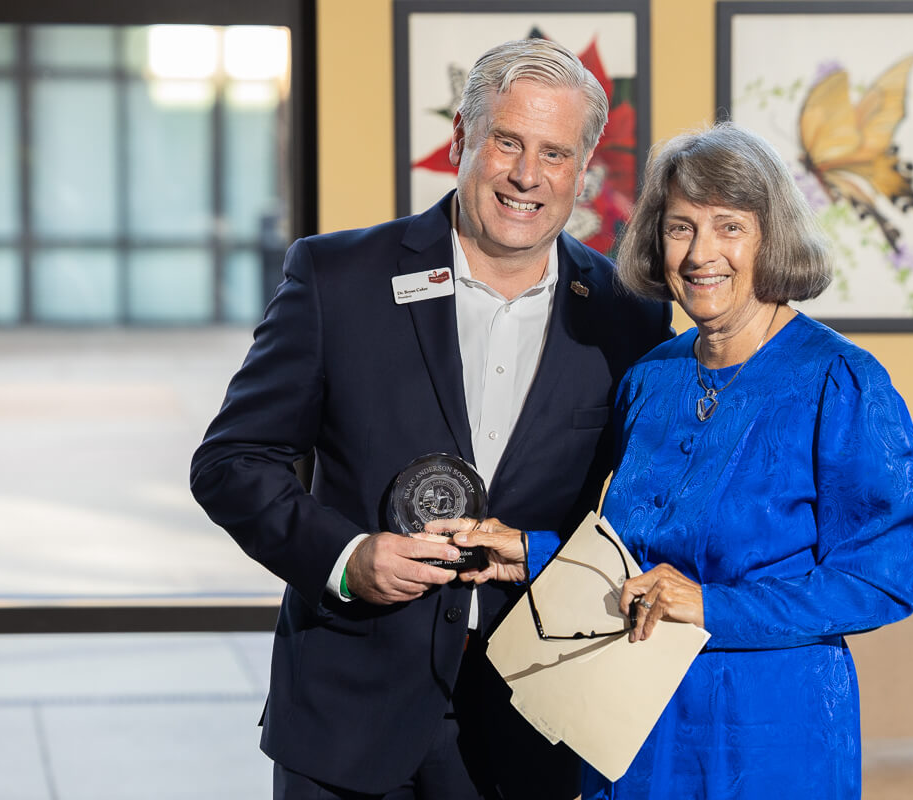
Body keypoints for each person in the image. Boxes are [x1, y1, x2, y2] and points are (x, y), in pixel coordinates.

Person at [189, 38, 671, 800]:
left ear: (584, 171)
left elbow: (648, 509)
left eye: (554, 153)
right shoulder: (337, 278)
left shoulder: (629, 320)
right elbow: (230, 462)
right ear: (461, 139)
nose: (526, 175)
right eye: (507, 141)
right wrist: (347, 558)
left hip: (529, 717)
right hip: (346, 710)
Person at [435, 123, 913, 799]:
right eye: (679, 228)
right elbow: (636, 561)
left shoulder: (841, 381)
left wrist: (712, 605)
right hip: (631, 718)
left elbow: (885, 579)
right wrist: (532, 553)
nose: (701, 254)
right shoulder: (649, 379)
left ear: (770, 238)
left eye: (729, 227)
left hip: (771, 730)